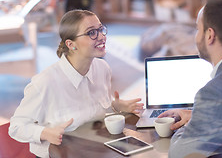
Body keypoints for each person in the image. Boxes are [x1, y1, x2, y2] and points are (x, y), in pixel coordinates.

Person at [124, 0, 222, 157]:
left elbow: (179, 154)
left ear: (209, 35)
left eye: (197, 29)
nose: (195, 35)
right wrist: (197, 115)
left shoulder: (214, 93)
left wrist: (190, 124)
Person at [9, 9, 143, 157]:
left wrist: (116, 106)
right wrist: (45, 133)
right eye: (92, 32)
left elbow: (94, 109)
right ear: (71, 44)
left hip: (94, 147)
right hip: (60, 153)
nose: (101, 37)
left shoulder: (102, 68)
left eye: (101, 29)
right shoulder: (45, 82)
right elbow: (16, 127)